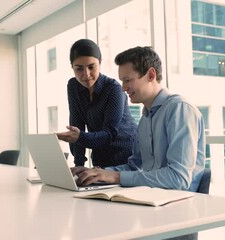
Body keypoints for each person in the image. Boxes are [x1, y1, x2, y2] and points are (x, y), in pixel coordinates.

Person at [71, 46, 206, 191]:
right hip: (152, 198)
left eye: (128, 80)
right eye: (122, 81)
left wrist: (116, 177)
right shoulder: (146, 119)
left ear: (151, 75)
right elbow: (134, 166)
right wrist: (98, 173)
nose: (123, 88)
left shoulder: (180, 109)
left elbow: (178, 179)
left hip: (179, 203)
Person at [56, 39, 137, 168]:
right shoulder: (73, 86)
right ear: (72, 66)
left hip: (126, 155)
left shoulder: (113, 88)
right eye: (79, 68)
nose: (86, 75)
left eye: (91, 67)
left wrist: (79, 137)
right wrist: (79, 165)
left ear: (100, 63)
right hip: (100, 155)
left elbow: (109, 134)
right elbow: (77, 126)